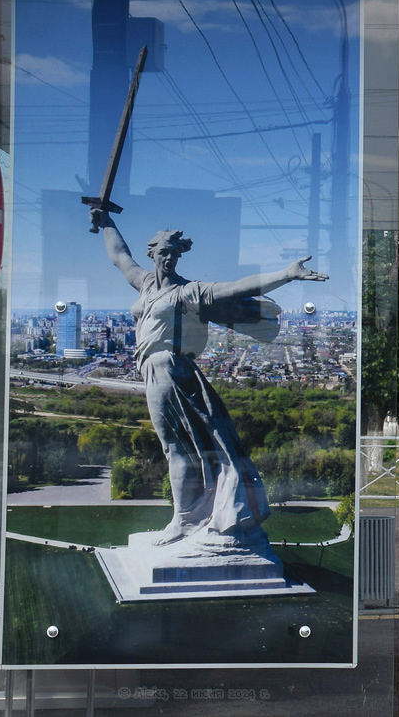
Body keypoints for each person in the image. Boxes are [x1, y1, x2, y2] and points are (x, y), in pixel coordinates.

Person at [92, 208, 328, 547]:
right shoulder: (143, 283)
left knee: (177, 447)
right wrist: (107, 222)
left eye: (174, 253)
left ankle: (184, 520)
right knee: (182, 447)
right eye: (163, 252)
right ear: (153, 253)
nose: (169, 258)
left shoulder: (188, 292)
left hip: (170, 371)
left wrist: (287, 274)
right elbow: (119, 256)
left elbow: (236, 288)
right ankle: (191, 516)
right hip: (154, 372)